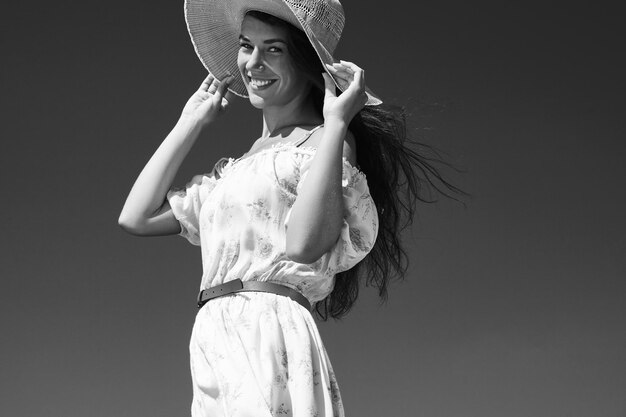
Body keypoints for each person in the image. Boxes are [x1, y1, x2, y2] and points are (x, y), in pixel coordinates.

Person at [119, 0, 461, 415]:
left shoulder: (321, 146)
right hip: (213, 334)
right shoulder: (232, 174)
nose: (253, 62)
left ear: (305, 62)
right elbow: (135, 217)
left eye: (274, 49)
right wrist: (188, 123)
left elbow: (303, 245)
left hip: (269, 330)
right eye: (247, 46)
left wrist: (336, 124)